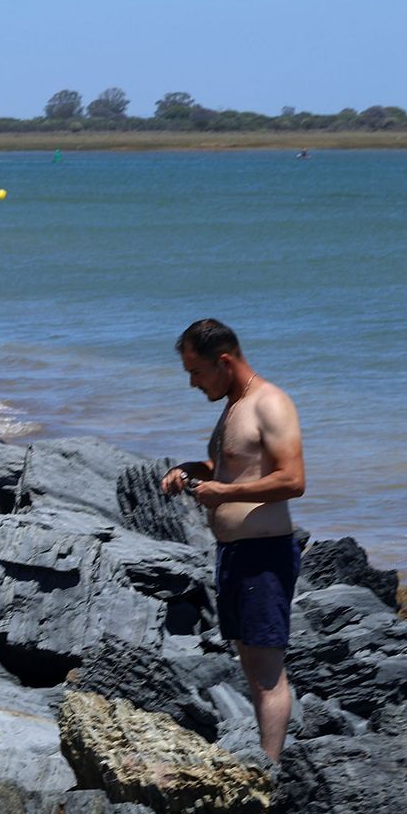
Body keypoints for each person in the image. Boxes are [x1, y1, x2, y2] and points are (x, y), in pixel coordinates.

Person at [160, 319, 306, 761]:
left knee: (265, 673)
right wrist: (192, 470)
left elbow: (293, 479)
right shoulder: (233, 406)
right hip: (234, 555)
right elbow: (232, 466)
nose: (192, 383)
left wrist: (225, 493)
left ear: (224, 361)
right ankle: (268, 761)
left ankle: (271, 771)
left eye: (197, 372)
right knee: (250, 663)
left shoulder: (271, 403)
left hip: (264, 555)